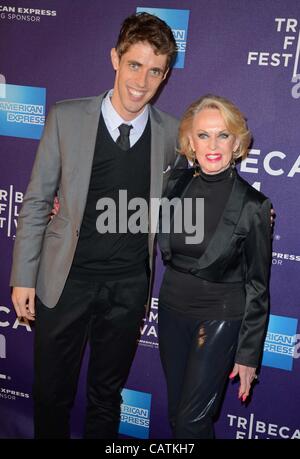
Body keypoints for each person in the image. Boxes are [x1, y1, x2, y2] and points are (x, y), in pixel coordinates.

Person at [10, 12, 178, 439]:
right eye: (134, 65)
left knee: (107, 397)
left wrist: (249, 211)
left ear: (165, 76)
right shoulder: (66, 117)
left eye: (155, 71)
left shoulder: (173, 135)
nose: (142, 81)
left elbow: (206, 188)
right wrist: (22, 278)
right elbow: (36, 202)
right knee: (52, 395)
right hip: (64, 282)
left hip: (126, 288)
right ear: (115, 59)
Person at [157, 94, 272, 439]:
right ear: (190, 142)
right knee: (178, 417)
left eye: (223, 135)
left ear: (237, 142)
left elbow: (257, 284)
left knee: (192, 422)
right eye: (203, 135)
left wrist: (248, 354)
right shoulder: (174, 186)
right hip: (172, 312)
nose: (213, 144)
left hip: (220, 317)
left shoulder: (254, 206)